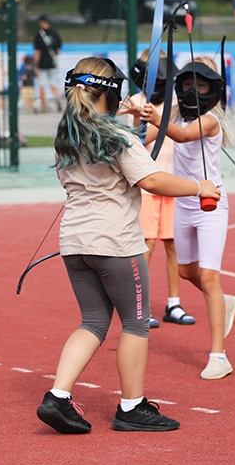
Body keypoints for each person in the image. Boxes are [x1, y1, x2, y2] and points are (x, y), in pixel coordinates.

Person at [36, 56, 220, 435]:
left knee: (93, 322)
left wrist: (138, 120)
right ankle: (132, 407)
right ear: (110, 93)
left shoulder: (67, 135)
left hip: (75, 243)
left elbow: (119, 155)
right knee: (135, 323)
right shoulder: (114, 136)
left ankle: (57, 396)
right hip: (116, 243)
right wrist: (198, 186)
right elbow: (152, 180)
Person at [136, 56, 235, 381]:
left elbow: (181, 136)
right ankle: (223, 302)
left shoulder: (209, 121)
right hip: (184, 203)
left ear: (214, 88)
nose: (193, 89)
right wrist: (138, 121)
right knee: (185, 271)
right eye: (187, 83)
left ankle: (218, 355)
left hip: (210, 203)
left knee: (208, 277)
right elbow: (146, 140)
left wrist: (158, 117)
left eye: (202, 83)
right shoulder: (174, 115)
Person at [127, 50, 185, 329]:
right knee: (147, 244)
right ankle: (141, 305)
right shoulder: (135, 103)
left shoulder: (176, 102)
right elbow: (137, 140)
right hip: (149, 186)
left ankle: (174, 303)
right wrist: (145, 118)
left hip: (173, 181)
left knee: (174, 245)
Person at [34, 14, 63, 112]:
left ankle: (43, 106)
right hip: (52, 63)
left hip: (42, 63)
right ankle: (57, 99)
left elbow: (38, 52)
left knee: (42, 85)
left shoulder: (39, 35)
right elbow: (58, 50)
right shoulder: (54, 33)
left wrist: (36, 65)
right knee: (53, 84)